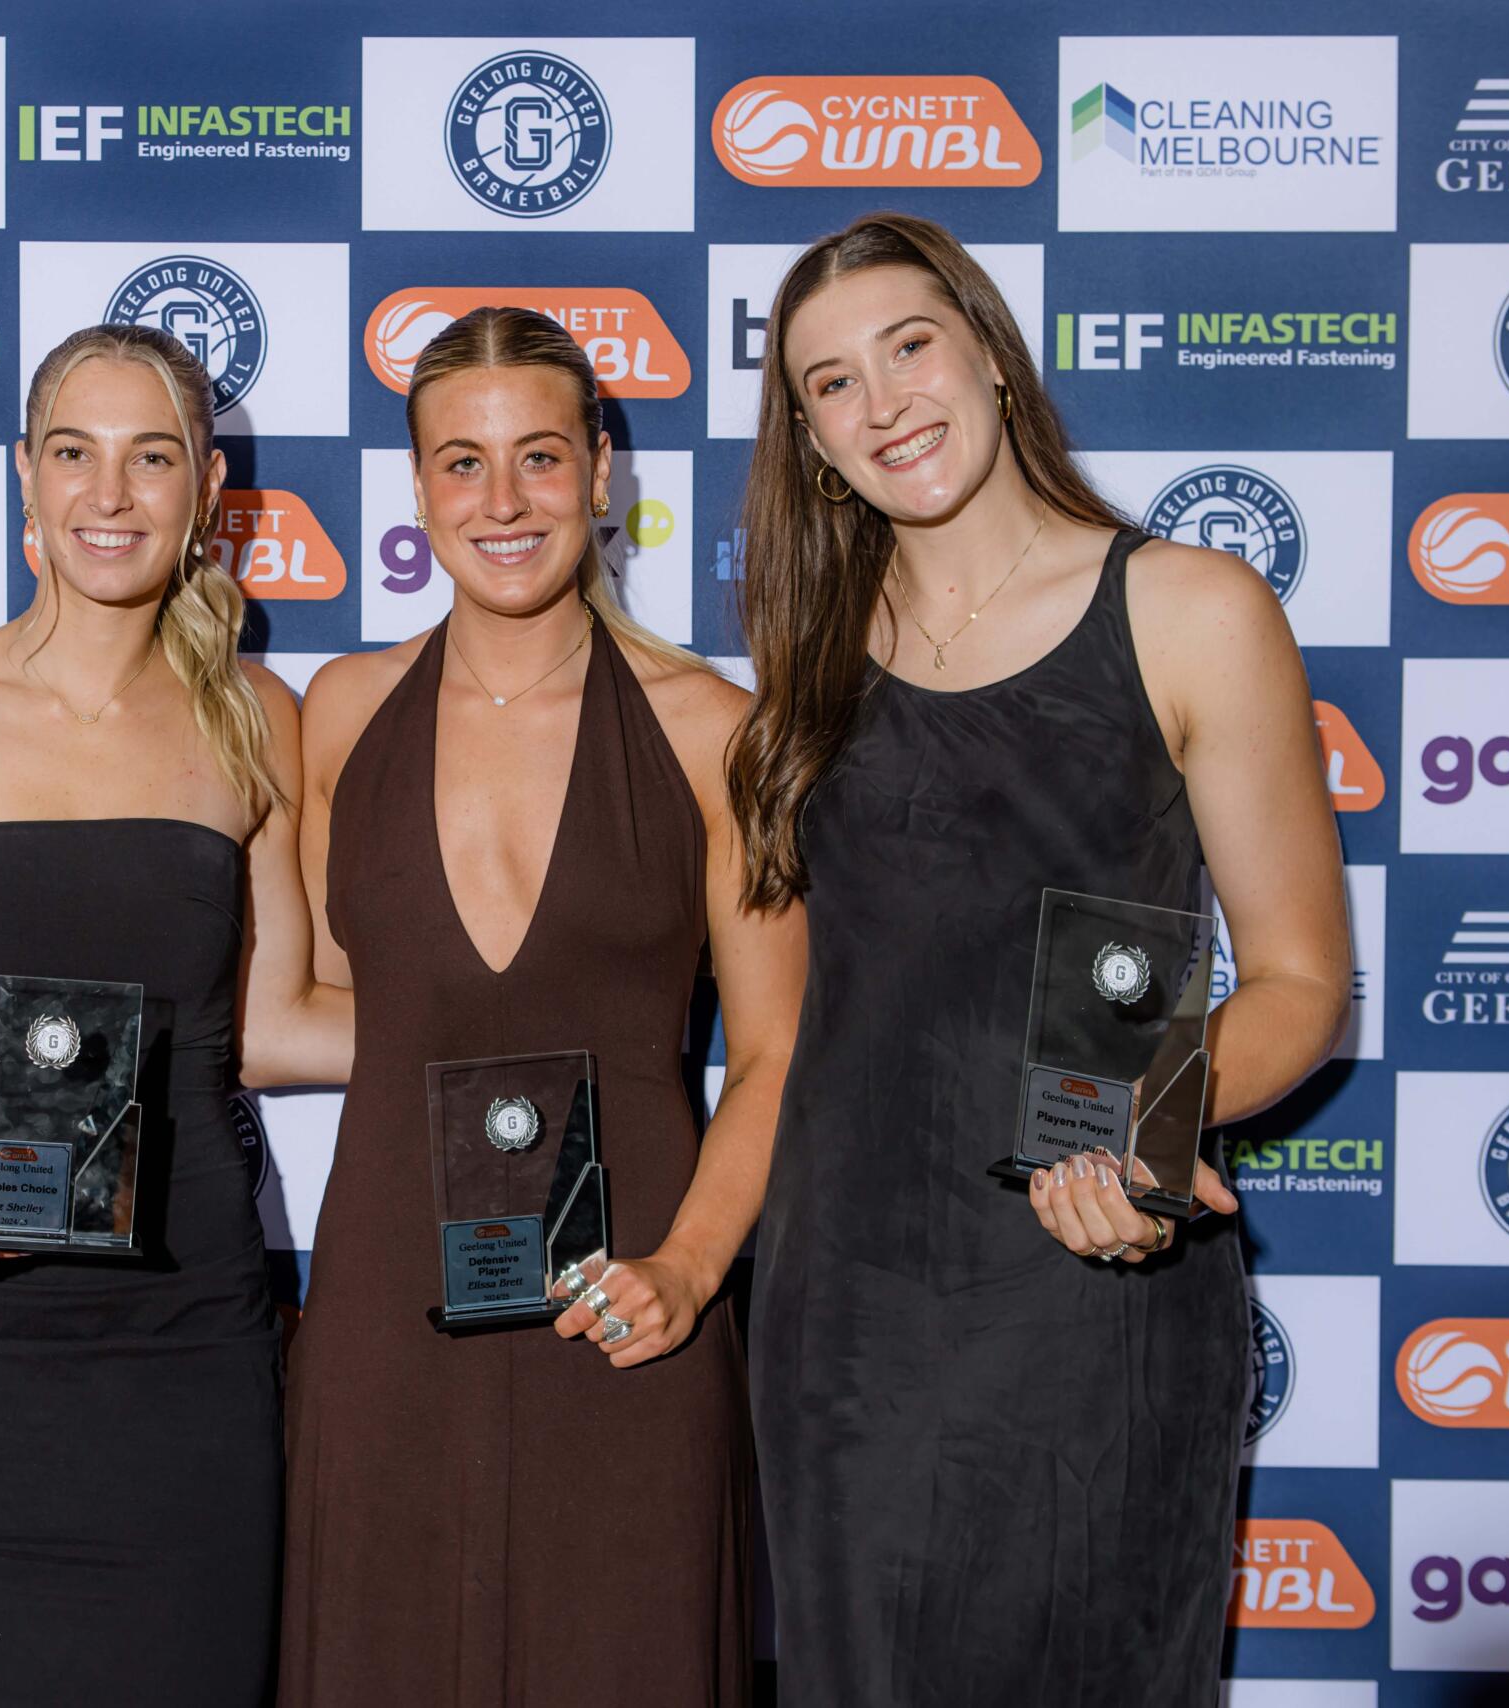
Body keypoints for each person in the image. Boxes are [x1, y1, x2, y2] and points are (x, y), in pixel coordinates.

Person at [729, 212, 1353, 1706]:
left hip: (1098, 1283)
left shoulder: (1193, 611)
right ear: (811, 441)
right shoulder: (804, 656)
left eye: (910, 346)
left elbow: (1301, 984)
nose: (883, 405)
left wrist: (1151, 1138)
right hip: (849, 1320)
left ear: (993, 360)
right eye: (830, 384)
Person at [0, 323, 348, 1708]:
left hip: (191, 1340)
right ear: (25, 482)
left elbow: (280, 1021)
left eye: (150, 456)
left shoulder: (254, 718)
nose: (111, 495)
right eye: (74, 454)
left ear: (205, 485)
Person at [280, 307, 803, 1706]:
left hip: (628, 1305)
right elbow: (297, 1006)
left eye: (540, 458)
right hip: (388, 1312)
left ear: (603, 471)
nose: (501, 502)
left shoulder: (710, 729)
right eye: (462, 462)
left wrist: (690, 1270)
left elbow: (773, 1054)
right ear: (417, 488)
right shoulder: (339, 710)